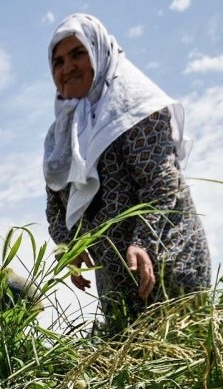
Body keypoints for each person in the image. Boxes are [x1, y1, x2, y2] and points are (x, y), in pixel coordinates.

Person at [44, 13, 211, 330]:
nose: (67, 68)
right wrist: (70, 247)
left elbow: (161, 185)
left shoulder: (134, 105)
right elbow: (55, 205)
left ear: (98, 52)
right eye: (58, 61)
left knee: (183, 357)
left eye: (78, 54)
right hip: (116, 278)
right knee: (132, 364)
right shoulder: (60, 137)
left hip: (167, 261)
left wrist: (145, 242)